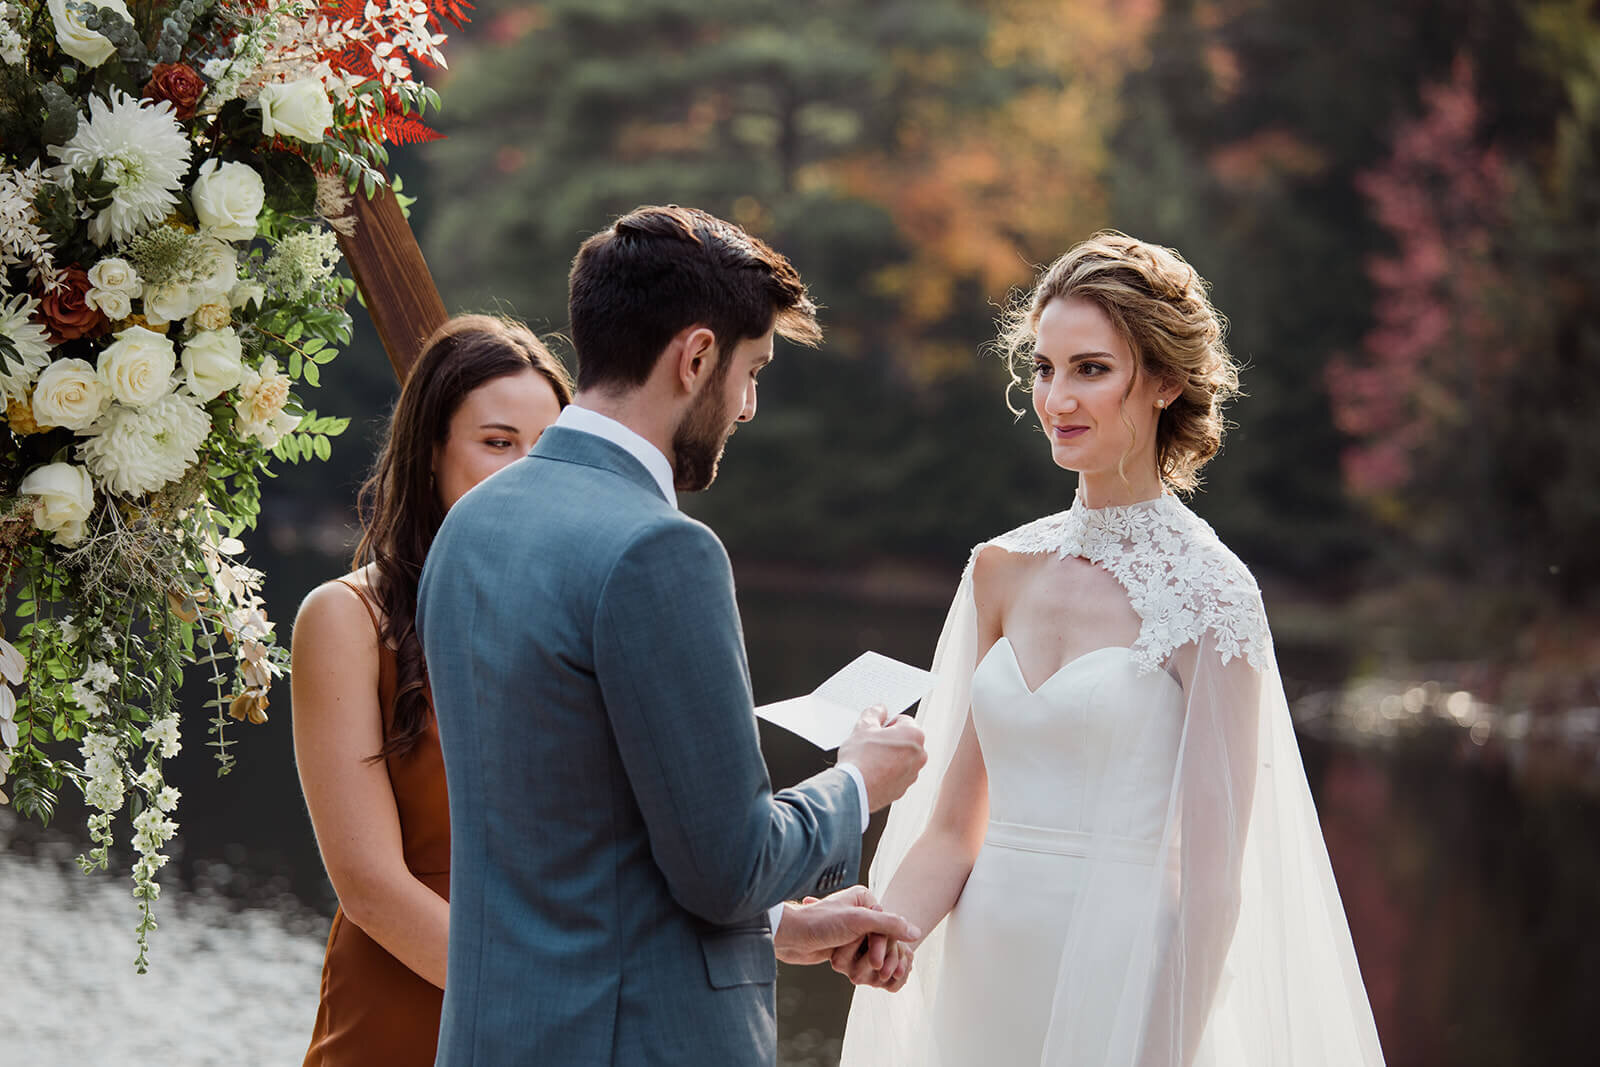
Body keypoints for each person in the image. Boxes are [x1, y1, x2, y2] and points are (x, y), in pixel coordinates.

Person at [840, 232, 1386, 1066]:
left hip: (1122, 980)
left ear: (1164, 380)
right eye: (1045, 367)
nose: (1058, 397)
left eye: (1091, 368)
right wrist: (892, 928)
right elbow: (954, 829)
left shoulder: (1213, 594)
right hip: (985, 975)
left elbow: (1213, 887)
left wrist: (1162, 1048)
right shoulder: (1001, 568)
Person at [416, 205, 929, 1066]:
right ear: (696, 357)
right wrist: (856, 783)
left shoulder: (471, 524)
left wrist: (781, 924)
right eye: (751, 370)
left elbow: (576, 837)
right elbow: (725, 865)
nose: (748, 406)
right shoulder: (663, 549)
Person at [292, 315, 573, 1066]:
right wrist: (540, 996)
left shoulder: (581, 622)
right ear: (429, 458)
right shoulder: (347, 619)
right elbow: (371, 886)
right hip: (410, 1011)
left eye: (548, 449)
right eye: (498, 442)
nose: (527, 472)